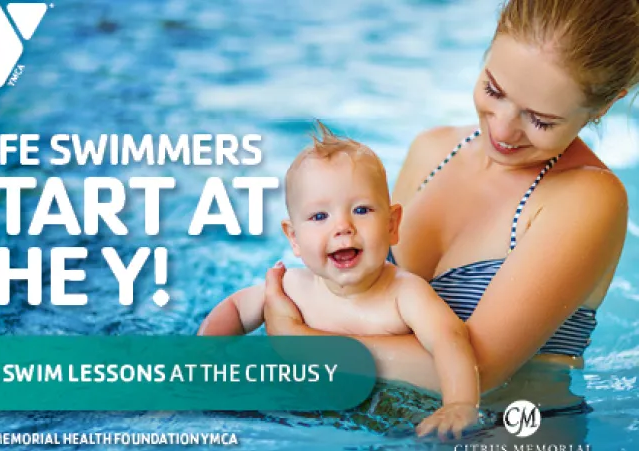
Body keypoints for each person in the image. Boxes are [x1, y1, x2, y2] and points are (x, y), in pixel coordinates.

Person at [261, 0, 635, 429]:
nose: (503, 128)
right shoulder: (432, 151)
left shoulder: (587, 198)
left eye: (541, 120)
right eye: (494, 90)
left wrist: (303, 346)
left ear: (603, 106)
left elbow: (481, 368)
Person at [199, 125, 480, 437]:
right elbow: (236, 309)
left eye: (361, 210)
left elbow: (449, 340)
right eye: (320, 217)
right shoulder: (293, 289)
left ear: (391, 225)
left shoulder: (405, 294)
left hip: (383, 424)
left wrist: (460, 403)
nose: (343, 226)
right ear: (294, 238)